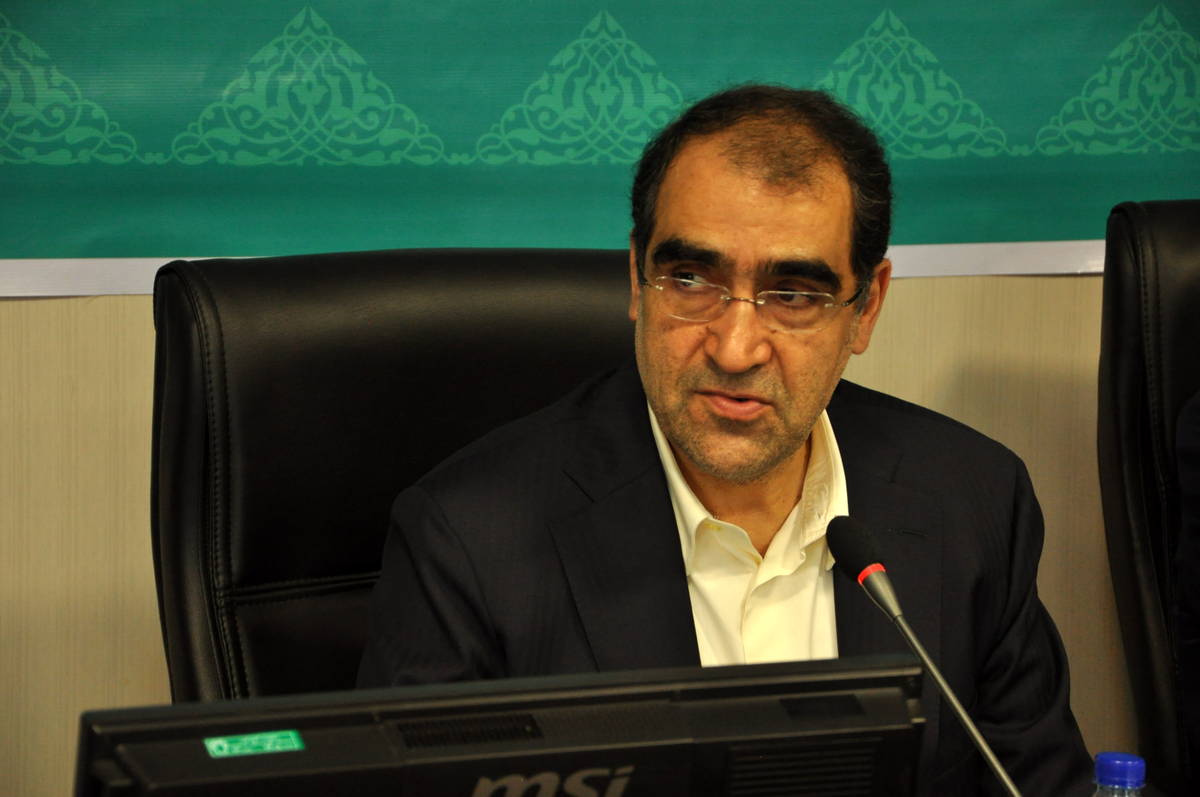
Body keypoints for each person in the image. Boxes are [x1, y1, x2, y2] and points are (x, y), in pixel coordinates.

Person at [358, 85, 1092, 795]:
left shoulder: (974, 499)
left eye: (794, 294)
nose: (736, 348)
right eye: (690, 279)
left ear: (865, 308)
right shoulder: (469, 539)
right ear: (637, 280)